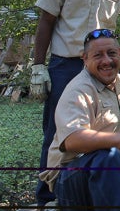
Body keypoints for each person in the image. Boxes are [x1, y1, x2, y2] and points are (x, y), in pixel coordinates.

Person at [30, 0, 120, 205]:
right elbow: (46, 21)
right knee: (57, 131)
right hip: (66, 64)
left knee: (107, 126)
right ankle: (47, 196)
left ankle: (93, 186)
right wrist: (38, 66)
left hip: (103, 64)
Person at [39, 29, 120, 208]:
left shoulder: (117, 83)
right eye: (98, 55)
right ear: (85, 59)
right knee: (109, 157)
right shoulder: (78, 90)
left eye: (112, 53)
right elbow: (73, 140)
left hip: (106, 173)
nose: (107, 61)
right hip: (69, 176)